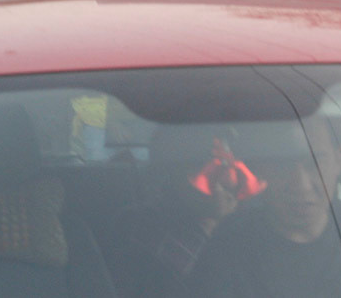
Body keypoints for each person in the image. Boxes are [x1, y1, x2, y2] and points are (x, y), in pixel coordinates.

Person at [186, 116, 341, 297]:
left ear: (338, 161)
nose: (301, 185)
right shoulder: (229, 246)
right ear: (260, 169)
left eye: (314, 163)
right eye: (283, 165)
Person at [105, 126, 261, 297]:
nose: (216, 176)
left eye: (223, 165)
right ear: (173, 170)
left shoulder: (255, 223)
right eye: (202, 166)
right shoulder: (138, 226)